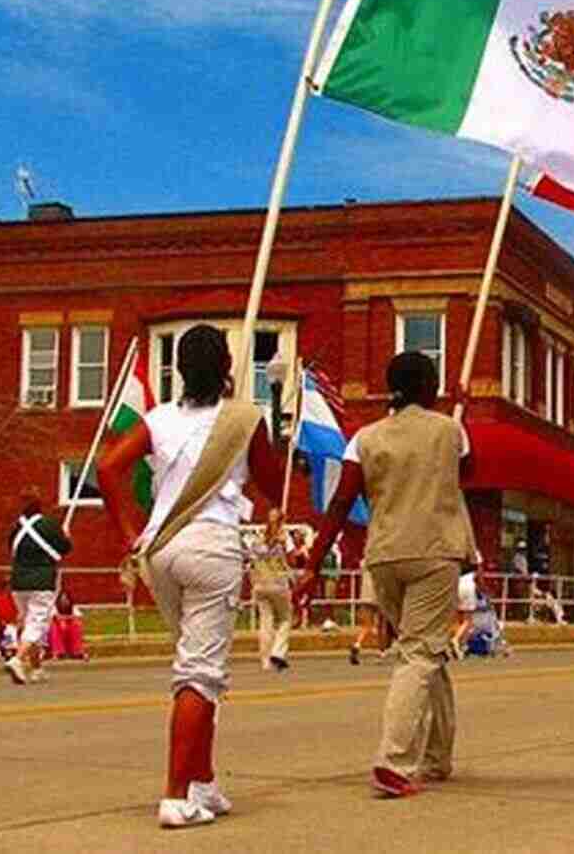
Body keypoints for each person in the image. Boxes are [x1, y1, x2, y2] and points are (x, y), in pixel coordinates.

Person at [99, 323, 284, 829]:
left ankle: (203, 780)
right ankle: (176, 796)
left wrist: (128, 532)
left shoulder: (158, 419)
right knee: (199, 675)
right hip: (211, 547)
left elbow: (108, 468)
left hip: (161, 549)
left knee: (195, 664)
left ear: (179, 369)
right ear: (226, 367)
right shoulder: (244, 419)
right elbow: (273, 482)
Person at [295, 351, 477, 799]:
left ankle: (438, 756)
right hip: (435, 552)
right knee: (419, 653)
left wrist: (315, 562)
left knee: (427, 651)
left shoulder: (364, 438)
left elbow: (341, 503)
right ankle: (394, 761)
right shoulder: (450, 430)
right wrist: (459, 410)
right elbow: (465, 475)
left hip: (385, 555)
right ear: (430, 388)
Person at [6, 492, 72, 685]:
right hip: (42, 581)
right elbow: (65, 548)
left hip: (18, 582)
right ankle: (18, 659)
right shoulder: (48, 525)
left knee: (27, 622)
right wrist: (66, 536)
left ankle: (36, 668)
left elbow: (12, 549)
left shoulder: (17, 528)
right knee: (37, 623)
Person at [247, 507, 292, 672]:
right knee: (285, 619)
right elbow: (290, 558)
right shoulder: (284, 538)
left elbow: (251, 559)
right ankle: (278, 652)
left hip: (260, 583)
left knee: (266, 622)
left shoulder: (258, 539)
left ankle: (265, 660)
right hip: (278, 583)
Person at [350, 566, 391, 666]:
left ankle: (357, 644)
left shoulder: (364, 563)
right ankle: (381, 653)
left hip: (365, 595)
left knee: (367, 625)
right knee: (382, 624)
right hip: (379, 594)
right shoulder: (379, 562)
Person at [48, 589, 87, 660]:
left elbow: (79, 616)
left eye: (66, 599)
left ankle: (78, 651)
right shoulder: (54, 608)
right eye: (62, 600)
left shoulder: (73, 608)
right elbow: (54, 617)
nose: (64, 602)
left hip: (69, 631)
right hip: (58, 631)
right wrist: (64, 620)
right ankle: (57, 652)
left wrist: (66, 620)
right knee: (54, 626)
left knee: (77, 624)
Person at [451, 565, 478, 659]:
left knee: (458, 620)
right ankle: (456, 639)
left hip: (456, 585)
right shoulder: (475, 559)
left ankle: (461, 647)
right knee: (468, 620)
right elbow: (479, 576)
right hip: (468, 587)